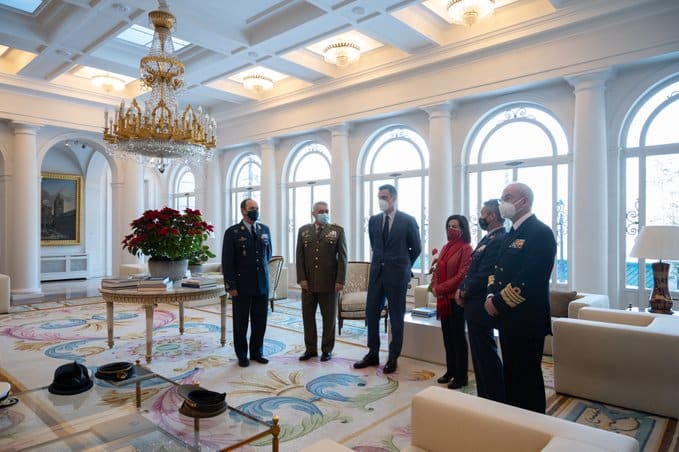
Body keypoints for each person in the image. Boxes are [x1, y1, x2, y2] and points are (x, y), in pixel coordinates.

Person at [484, 183, 556, 413]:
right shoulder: (511, 233)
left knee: (528, 378)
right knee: (512, 375)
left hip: (527, 320)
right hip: (507, 318)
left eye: (507, 197)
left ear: (523, 201)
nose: (502, 201)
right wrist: (490, 294)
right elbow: (497, 270)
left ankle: (534, 425)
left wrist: (498, 303)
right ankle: (514, 422)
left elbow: (530, 279)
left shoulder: (540, 232)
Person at [354, 184, 421, 374]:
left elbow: (416, 249)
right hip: (377, 274)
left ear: (394, 198)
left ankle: (393, 357)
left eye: (384, 197)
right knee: (371, 313)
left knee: (396, 317)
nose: (381, 200)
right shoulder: (374, 220)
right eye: (379, 197)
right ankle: (372, 353)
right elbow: (375, 246)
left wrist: (403, 266)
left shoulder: (407, 220)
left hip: (397, 275)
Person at [457, 199, 506, 402]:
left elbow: (484, 274)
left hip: (479, 304)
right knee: (478, 352)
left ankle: (494, 395)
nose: (481, 218)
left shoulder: (498, 239)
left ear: (492, 216)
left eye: (483, 214)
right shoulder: (488, 239)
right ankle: (484, 394)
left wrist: (463, 291)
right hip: (473, 304)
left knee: (485, 352)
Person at [222, 198, 273, 368]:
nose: (255, 211)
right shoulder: (233, 232)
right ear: (243, 210)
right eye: (252, 208)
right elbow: (228, 262)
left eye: (257, 208)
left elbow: (268, 256)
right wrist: (231, 286)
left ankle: (257, 352)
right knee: (241, 322)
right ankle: (242, 355)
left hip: (261, 284)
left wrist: (266, 280)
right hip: (242, 285)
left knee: (260, 321)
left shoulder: (264, 230)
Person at [296, 201, 348, 362]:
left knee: (329, 319)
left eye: (326, 211)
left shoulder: (337, 231)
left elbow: (343, 258)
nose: (324, 213)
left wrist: (340, 280)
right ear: (313, 213)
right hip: (308, 284)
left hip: (329, 283)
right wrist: (302, 279)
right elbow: (299, 257)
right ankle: (310, 349)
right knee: (308, 318)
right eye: (320, 211)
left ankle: (327, 350)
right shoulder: (304, 231)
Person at [431, 215, 472, 389]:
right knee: (447, 337)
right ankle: (451, 371)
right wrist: (434, 286)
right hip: (443, 300)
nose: (451, 229)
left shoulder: (466, 248)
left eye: (455, 226)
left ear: (463, 228)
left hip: (456, 299)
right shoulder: (446, 247)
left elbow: (462, 275)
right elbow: (438, 270)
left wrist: (440, 289)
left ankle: (461, 376)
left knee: (458, 337)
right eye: (449, 226)